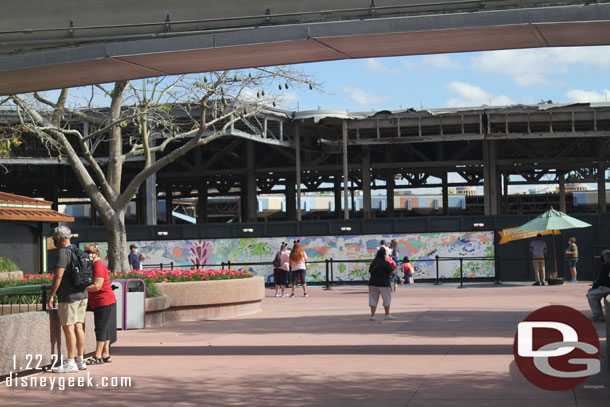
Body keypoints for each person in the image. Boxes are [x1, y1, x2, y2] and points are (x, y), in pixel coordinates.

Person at [47, 226, 88, 373]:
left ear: (59, 237)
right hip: (82, 294)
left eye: (54, 237)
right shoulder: (78, 250)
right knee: (78, 326)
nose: (53, 239)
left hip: (68, 297)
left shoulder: (63, 253)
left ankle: (70, 362)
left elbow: (58, 276)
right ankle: (80, 360)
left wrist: (52, 295)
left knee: (68, 328)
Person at [83, 243, 117, 365]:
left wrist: (81, 288)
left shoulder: (98, 265)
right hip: (99, 301)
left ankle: (97, 356)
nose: (88, 254)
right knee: (104, 327)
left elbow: (97, 286)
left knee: (100, 328)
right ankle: (105, 354)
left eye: (90, 252)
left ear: (97, 254)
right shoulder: (93, 265)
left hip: (103, 301)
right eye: (86, 252)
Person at [368, 248, 397, 321]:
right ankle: (387, 315)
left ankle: (372, 316)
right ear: (384, 255)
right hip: (384, 283)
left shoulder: (373, 263)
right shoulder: (386, 263)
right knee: (386, 299)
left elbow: (370, 271)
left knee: (373, 299)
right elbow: (392, 272)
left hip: (373, 282)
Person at [586, 249, 610, 322]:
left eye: (603, 255)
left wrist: (593, 287)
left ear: (608, 256)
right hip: (607, 286)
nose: (602, 256)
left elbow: (601, 279)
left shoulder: (606, 265)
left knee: (591, 295)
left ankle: (598, 315)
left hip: (607, 287)